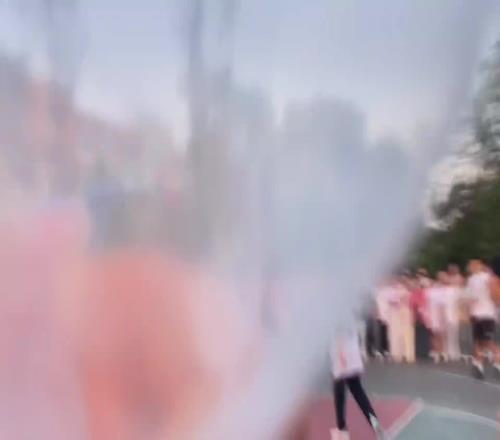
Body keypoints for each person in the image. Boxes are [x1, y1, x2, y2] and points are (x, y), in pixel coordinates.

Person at [330, 321, 385, 440]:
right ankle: (375, 425)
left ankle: (341, 430)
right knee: (357, 391)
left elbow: (338, 329)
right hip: (352, 350)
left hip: (342, 352)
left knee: (339, 392)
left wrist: (341, 353)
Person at [464, 259, 499, 379]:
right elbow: (469, 297)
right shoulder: (471, 279)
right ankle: (478, 364)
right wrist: (469, 311)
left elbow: (494, 293)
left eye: (474, 265)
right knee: (478, 341)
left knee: (488, 341)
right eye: (470, 266)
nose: (471, 267)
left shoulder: (488, 277)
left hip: (487, 314)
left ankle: (497, 362)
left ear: (480, 266)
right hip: (476, 315)